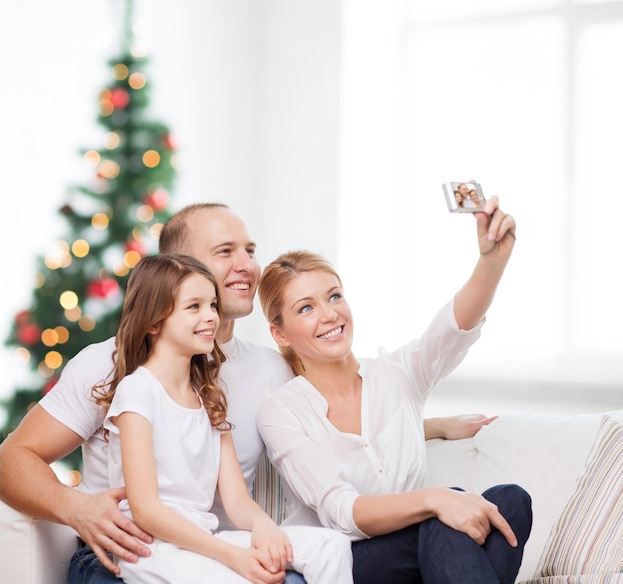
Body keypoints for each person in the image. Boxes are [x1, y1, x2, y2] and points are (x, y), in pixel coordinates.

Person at [0, 203, 494, 584]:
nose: (246, 265)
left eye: (250, 250)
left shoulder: (271, 370)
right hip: (132, 556)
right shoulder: (112, 366)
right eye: (225, 252)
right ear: (177, 267)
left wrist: (430, 426)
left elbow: (332, 418)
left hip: (221, 550)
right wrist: (74, 507)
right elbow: (12, 458)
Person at [256, 196, 533, 584]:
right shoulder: (281, 411)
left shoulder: (396, 375)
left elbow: (452, 331)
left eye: (334, 295)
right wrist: (434, 498)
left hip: (425, 550)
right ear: (280, 333)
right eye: (306, 308)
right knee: (445, 512)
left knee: (510, 500)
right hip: (348, 562)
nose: (330, 314)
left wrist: (492, 261)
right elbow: (342, 511)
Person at [94, 253, 352, 583]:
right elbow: (146, 510)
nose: (211, 317)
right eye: (194, 307)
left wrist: (263, 527)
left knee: (331, 547)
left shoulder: (209, 397)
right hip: (152, 549)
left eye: (213, 305)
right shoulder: (137, 392)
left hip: (204, 539)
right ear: (154, 322)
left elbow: (237, 501)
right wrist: (235, 557)